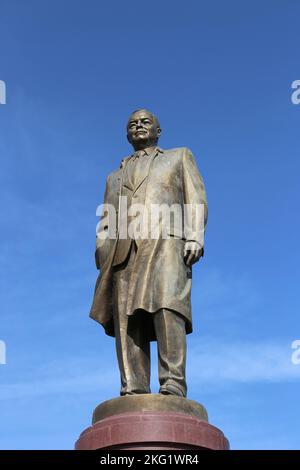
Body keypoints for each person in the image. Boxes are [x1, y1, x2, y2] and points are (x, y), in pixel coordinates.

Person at [90, 109, 208, 397]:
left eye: (145, 122)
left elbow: (195, 198)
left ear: (158, 131)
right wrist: (102, 249)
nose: (138, 127)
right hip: (122, 253)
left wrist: (194, 235)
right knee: (127, 320)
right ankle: (133, 386)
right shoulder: (114, 177)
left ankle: (173, 384)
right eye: (132, 124)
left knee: (168, 309)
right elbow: (107, 217)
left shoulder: (178, 157)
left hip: (166, 245)